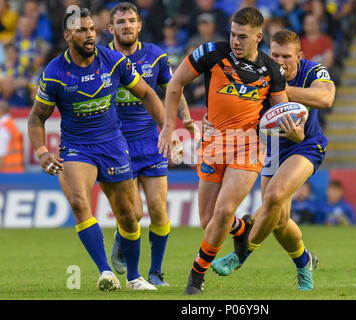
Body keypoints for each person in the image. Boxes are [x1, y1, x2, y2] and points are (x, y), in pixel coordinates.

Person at [27, 8, 165, 291]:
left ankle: (134, 277)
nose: (89, 35)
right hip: (77, 147)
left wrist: (168, 129)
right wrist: (42, 151)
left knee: (129, 214)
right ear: (68, 36)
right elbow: (36, 118)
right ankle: (105, 272)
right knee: (79, 202)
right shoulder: (55, 73)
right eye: (81, 30)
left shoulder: (113, 60)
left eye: (91, 29)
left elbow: (148, 93)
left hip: (113, 145)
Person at [158, 7, 289, 295]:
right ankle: (241, 229)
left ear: (258, 36)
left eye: (242, 36)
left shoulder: (272, 71)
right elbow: (176, 83)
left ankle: (196, 276)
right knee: (209, 220)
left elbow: (280, 112)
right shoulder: (211, 53)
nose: (235, 41)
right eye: (232, 34)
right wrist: (169, 126)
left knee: (223, 210)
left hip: (249, 146)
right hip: (213, 144)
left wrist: (289, 127)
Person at [211, 29, 335, 291]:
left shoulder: (313, 70)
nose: (279, 61)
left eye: (286, 56)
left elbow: (326, 97)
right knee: (279, 221)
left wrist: (283, 89)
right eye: (275, 54)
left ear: (299, 55)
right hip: (272, 148)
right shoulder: (257, 73)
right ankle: (305, 262)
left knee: (274, 196)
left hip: (307, 145)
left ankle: (239, 256)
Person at [106, 2, 197, 287]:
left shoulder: (155, 56)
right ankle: (122, 238)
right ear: (111, 28)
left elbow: (172, 89)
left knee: (158, 208)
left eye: (131, 20)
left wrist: (184, 120)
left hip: (150, 140)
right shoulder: (101, 58)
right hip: (116, 143)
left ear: (139, 25)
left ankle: (156, 273)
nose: (127, 26)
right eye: (120, 22)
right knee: (133, 213)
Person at [0, 99, 24, 172]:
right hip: (16, 170)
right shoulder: (12, 124)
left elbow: (1, 152)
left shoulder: (4, 127)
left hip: (6, 173)